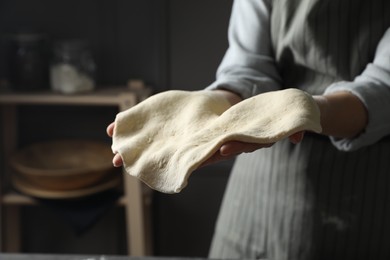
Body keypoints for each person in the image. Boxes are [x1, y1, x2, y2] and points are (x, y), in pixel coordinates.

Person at [107, 0, 390, 259]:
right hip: (257, 178)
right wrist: (217, 103)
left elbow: (384, 85)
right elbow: (248, 66)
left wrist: (304, 110)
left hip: (358, 185)